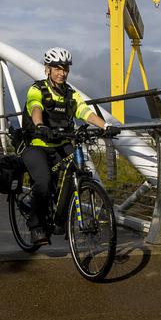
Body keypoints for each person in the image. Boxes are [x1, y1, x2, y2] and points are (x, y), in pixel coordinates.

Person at [22, 47, 119, 245]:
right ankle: (36, 225)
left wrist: (105, 125)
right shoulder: (37, 89)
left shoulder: (70, 93)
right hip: (37, 144)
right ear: (47, 69)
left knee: (78, 172)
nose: (62, 73)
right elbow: (35, 107)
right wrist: (40, 125)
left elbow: (84, 111)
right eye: (57, 68)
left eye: (65, 68)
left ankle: (60, 218)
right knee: (44, 181)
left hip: (62, 142)